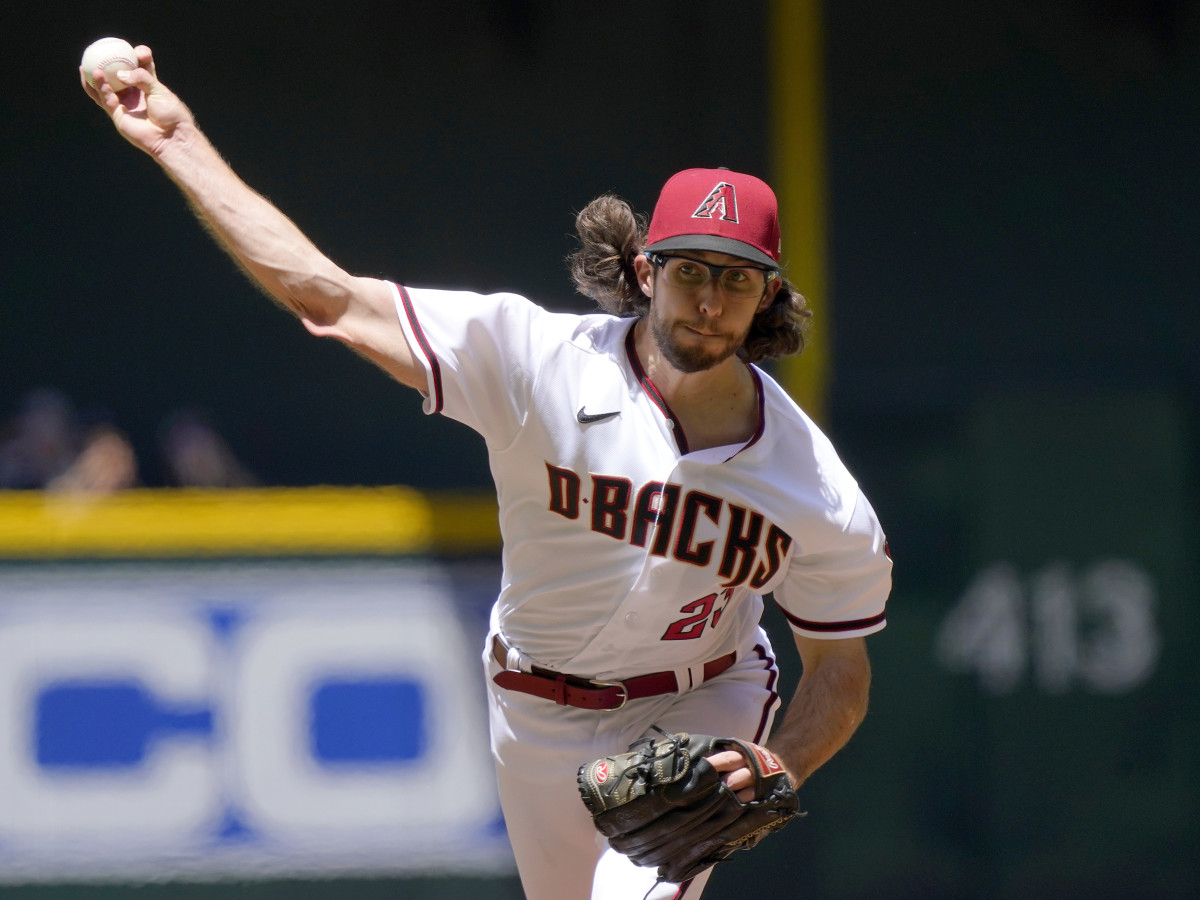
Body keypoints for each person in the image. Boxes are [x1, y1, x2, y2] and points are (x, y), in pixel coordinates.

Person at [83, 46, 892, 900]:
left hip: (700, 700)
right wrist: (179, 143)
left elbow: (840, 669)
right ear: (646, 270)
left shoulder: (813, 484)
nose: (708, 300)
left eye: (736, 279)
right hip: (531, 706)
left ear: (768, 294)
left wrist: (779, 765)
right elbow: (328, 297)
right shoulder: (533, 358)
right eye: (690, 270)